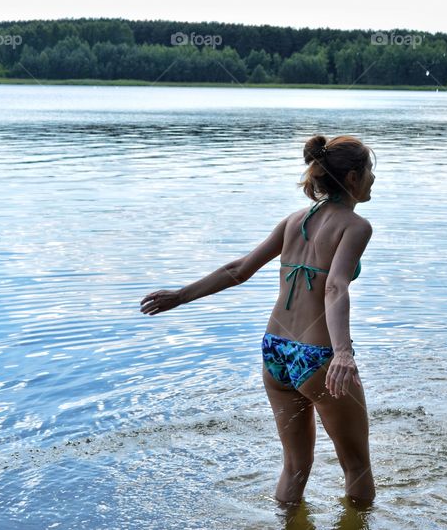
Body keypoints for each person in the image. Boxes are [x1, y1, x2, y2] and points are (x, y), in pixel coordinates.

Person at [139, 134, 377, 508]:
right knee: (358, 469)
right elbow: (334, 287)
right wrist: (343, 354)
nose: (373, 178)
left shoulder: (294, 220)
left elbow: (238, 271)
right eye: (369, 170)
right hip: (318, 357)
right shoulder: (355, 226)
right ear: (351, 178)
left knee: (295, 466)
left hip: (275, 352)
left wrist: (181, 295)